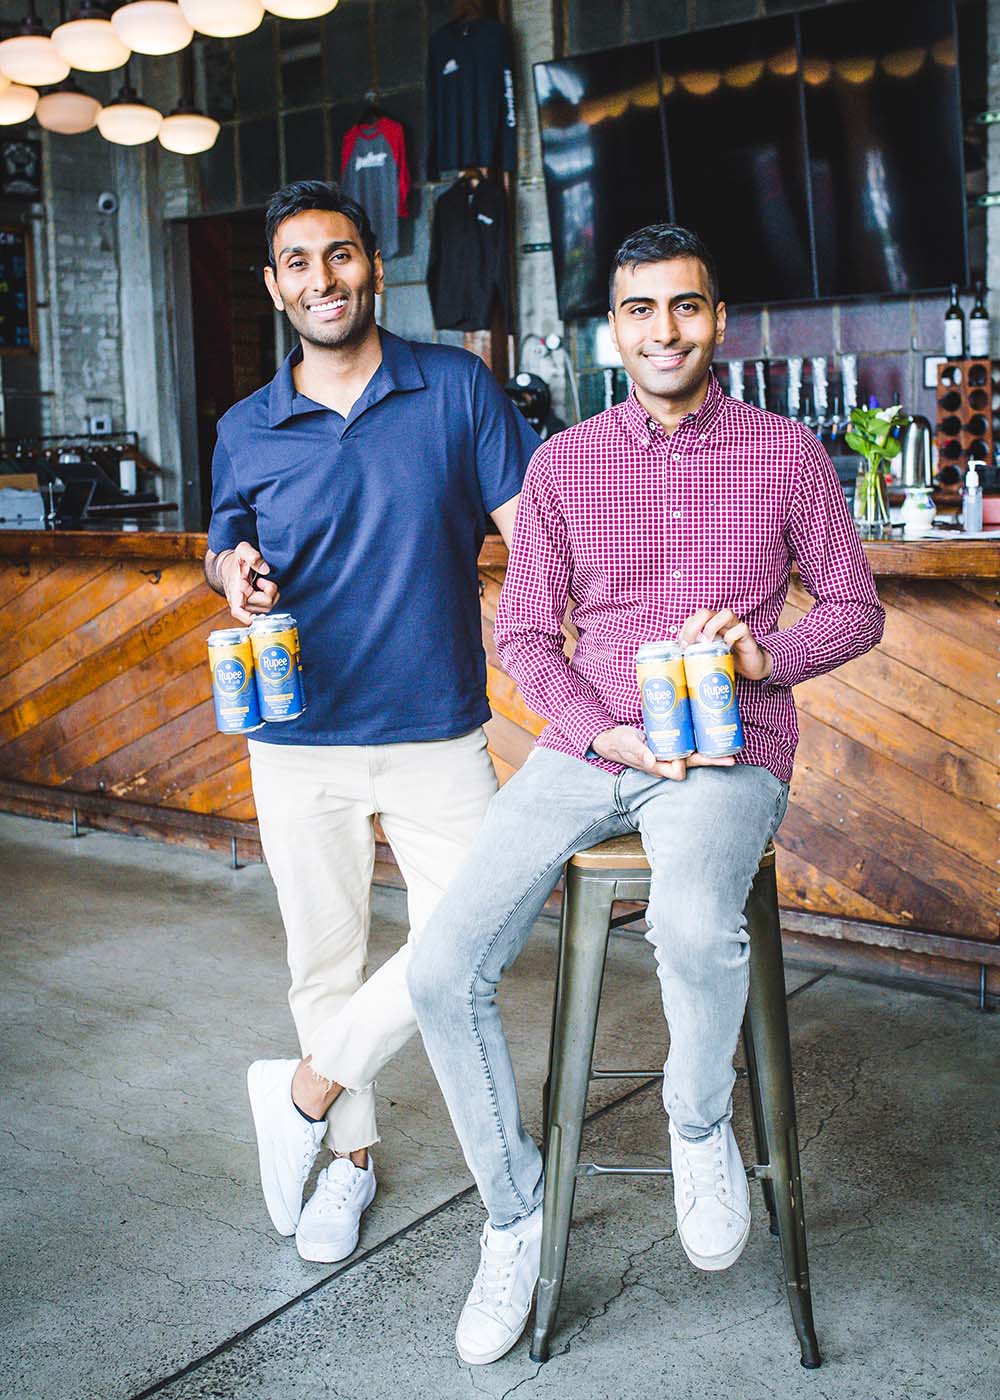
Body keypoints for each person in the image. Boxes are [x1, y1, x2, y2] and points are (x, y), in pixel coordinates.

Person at [407, 223, 885, 1365]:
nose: (661, 329)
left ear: (717, 322)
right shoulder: (564, 462)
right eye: (638, 309)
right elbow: (522, 635)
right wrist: (596, 726)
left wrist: (767, 654)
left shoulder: (786, 452)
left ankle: (697, 1122)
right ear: (610, 327)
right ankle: (516, 1214)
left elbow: (854, 608)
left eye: (684, 306)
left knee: (686, 920)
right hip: (592, 741)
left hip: (730, 743)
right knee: (438, 968)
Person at [204, 181, 538, 1265]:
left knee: (462, 945)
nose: (322, 279)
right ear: (274, 286)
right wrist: (232, 569)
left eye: (339, 256)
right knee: (325, 962)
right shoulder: (243, 428)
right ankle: (347, 1161)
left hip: (439, 731)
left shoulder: (453, 387)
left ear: (374, 266)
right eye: (297, 262)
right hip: (299, 740)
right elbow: (223, 539)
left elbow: (535, 532)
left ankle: (298, 1090)